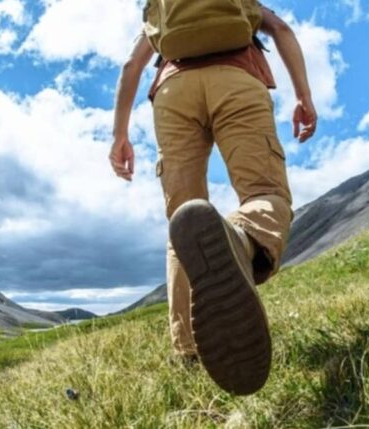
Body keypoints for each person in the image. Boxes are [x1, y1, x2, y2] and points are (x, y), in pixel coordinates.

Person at [110, 3, 317, 395]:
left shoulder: (162, 7)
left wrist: (119, 134)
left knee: (182, 223)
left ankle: (188, 351)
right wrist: (304, 96)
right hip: (237, 78)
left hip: (173, 90)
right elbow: (282, 30)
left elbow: (130, 66)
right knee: (265, 193)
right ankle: (241, 238)